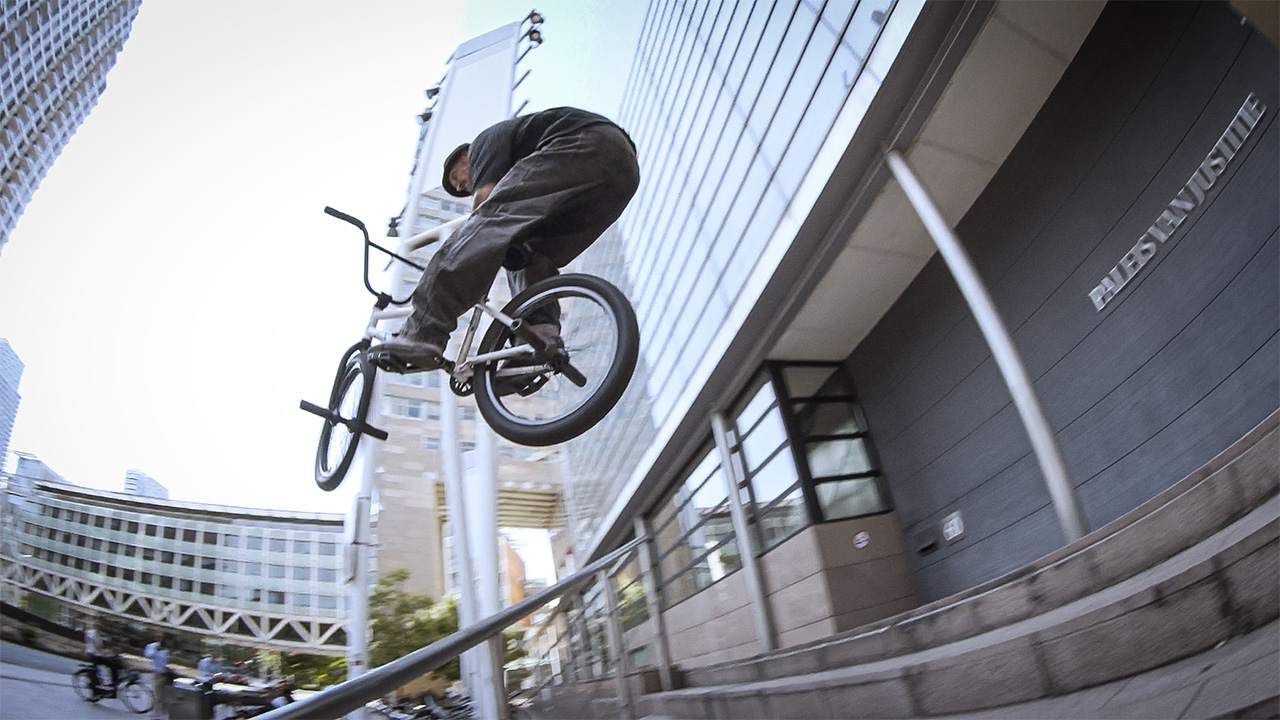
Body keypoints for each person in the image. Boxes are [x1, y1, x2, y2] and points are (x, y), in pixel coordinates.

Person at [371, 106, 640, 372]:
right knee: (531, 253)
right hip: (622, 176)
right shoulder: (520, 159)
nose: (462, 186)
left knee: (483, 226)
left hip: (585, 144)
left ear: (466, 156)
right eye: (459, 188)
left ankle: (423, 331)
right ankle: (538, 336)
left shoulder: (482, 144)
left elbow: (485, 200)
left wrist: (471, 251)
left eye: (458, 177)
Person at [84, 621, 123, 691]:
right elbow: (96, 645)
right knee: (113, 664)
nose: (99, 628)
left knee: (113, 662)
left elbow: (100, 646)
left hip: (97, 654)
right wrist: (104, 653)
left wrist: (107, 652)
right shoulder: (91, 633)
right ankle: (113, 684)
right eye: (98, 626)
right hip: (94, 655)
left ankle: (113, 684)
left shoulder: (96, 634)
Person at [144, 632, 170, 719]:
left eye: (162, 637)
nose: (160, 639)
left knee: (164, 694)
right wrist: (156, 649)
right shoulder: (151, 646)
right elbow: (148, 655)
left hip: (164, 673)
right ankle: (156, 712)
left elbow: (166, 660)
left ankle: (163, 712)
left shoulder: (165, 648)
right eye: (158, 637)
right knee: (157, 694)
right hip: (157, 673)